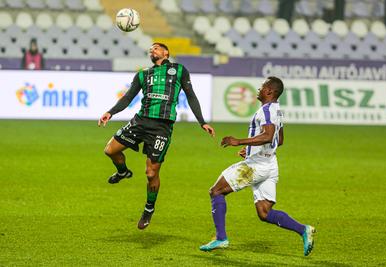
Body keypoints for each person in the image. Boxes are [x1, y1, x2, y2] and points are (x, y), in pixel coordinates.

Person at [98, 43, 215, 230]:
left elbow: (191, 96)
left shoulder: (179, 70)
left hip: (162, 127)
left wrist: (202, 121)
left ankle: (148, 208)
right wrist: (110, 113)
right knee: (110, 150)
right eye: (150, 49)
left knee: (151, 173)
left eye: (156, 48)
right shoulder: (143, 74)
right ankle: (123, 172)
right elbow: (128, 98)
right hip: (141, 121)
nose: (152, 50)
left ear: (166, 52)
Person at [199, 77, 316, 256]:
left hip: (257, 166)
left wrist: (238, 141)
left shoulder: (267, 110)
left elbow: (268, 136)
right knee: (264, 212)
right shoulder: (277, 110)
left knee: (216, 191)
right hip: (270, 164)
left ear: (269, 91)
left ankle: (221, 238)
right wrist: (251, 148)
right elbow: (279, 140)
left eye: (262, 86)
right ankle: (303, 230)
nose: (259, 88)